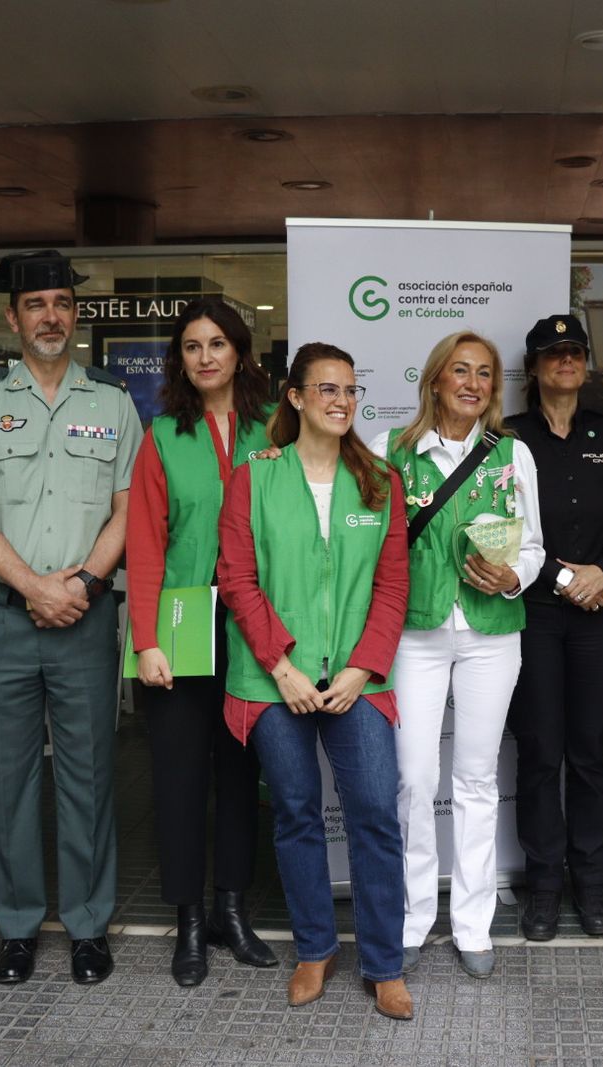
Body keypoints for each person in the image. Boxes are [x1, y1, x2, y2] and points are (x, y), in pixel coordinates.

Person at [0, 250, 144, 986]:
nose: (51, 315)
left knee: (90, 776)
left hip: (86, 616)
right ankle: (19, 924)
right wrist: (33, 585)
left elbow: (129, 509)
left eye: (62, 301)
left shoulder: (113, 403)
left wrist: (83, 584)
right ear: (13, 317)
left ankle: (89, 925)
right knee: (7, 776)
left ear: (76, 313)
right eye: (37, 304)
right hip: (2, 617)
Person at [216, 342, 413, 1020]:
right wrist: (281, 665)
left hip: (357, 676)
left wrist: (363, 665)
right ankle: (315, 948)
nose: (341, 401)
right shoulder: (255, 476)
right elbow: (237, 578)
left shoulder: (380, 481)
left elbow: (393, 584)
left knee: (376, 815)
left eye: (351, 390)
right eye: (326, 388)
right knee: (297, 814)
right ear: (294, 397)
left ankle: (385, 963)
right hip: (275, 680)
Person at [372, 330, 545, 979]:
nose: (472, 383)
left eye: (484, 374)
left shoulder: (513, 455)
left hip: (492, 633)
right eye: (460, 371)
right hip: (414, 633)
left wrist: (515, 575)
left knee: (476, 778)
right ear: (435, 379)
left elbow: (533, 546)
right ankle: (415, 916)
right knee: (414, 776)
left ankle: (473, 921)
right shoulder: (391, 450)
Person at [125, 298, 278, 986]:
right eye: (192, 345)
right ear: (180, 360)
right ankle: (189, 919)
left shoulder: (275, 429)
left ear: (241, 353)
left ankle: (231, 910)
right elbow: (146, 544)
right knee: (181, 778)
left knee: (242, 774)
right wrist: (147, 640)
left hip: (253, 628)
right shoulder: (160, 437)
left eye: (219, 343)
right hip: (181, 628)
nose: (206, 355)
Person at [504, 314, 603, 940]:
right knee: (539, 753)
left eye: (574, 351)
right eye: (552, 353)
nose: (565, 361)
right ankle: (544, 886)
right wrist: (567, 579)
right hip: (533, 612)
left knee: (589, 755)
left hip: (598, 615)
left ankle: (591, 884)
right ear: (533, 367)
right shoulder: (508, 439)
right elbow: (505, 533)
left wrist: (601, 573)